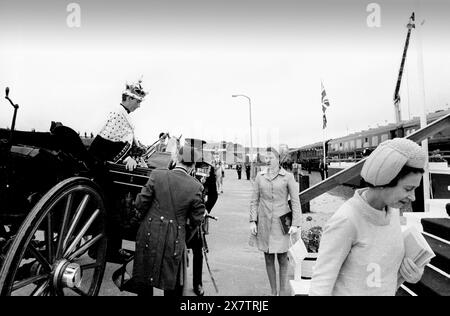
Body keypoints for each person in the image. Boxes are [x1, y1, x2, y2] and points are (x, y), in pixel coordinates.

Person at [309, 138, 427, 296]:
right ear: (385, 179)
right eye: (408, 189)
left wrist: (413, 274)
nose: (412, 197)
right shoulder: (347, 220)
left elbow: (379, 268)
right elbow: (321, 282)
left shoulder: (391, 212)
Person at [132, 145, 206, 296]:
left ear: (176, 159)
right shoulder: (196, 186)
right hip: (175, 238)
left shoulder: (157, 174)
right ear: (192, 166)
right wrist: (185, 235)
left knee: (144, 282)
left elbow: (140, 203)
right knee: (172, 285)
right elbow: (196, 220)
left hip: (149, 233)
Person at [88, 78, 147, 264]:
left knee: (113, 207)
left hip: (108, 169)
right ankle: (110, 250)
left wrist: (136, 155)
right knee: (115, 208)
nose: (139, 105)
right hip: (103, 170)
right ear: (129, 99)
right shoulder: (118, 115)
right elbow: (102, 146)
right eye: (138, 101)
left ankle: (100, 247)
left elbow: (124, 143)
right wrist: (125, 158)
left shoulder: (124, 115)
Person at [249, 148, 302, 296]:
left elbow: (295, 202)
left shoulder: (288, 177)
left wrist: (295, 224)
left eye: (271, 157)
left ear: (278, 159)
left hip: (282, 222)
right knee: (268, 258)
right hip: (264, 222)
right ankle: (273, 292)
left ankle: (282, 291)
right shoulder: (260, 177)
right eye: (266, 158)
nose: (268, 160)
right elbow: (254, 201)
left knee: (282, 258)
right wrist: (253, 220)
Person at [189, 165, 218, 296]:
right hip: (180, 215)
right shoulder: (177, 165)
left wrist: (205, 209)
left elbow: (213, 194)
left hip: (197, 217)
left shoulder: (208, 168)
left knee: (198, 250)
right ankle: (178, 281)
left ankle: (197, 283)